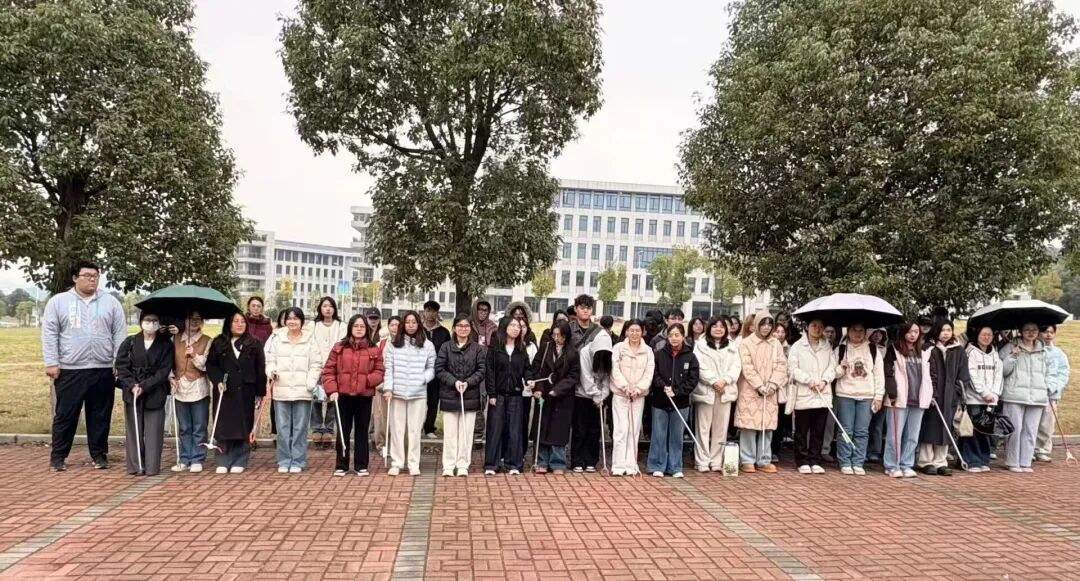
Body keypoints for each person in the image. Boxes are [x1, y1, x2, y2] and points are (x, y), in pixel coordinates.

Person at [42, 261, 127, 472]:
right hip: (70, 369)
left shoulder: (110, 302)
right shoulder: (59, 302)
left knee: (100, 415)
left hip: (103, 367)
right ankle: (58, 456)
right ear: (75, 278)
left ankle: (99, 455)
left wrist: (119, 362)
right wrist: (52, 362)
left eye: (95, 276)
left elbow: (119, 333)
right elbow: (50, 333)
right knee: (66, 415)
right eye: (87, 275)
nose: (92, 279)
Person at [322, 314, 384, 477]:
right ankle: (341, 465)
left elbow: (379, 371)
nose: (359, 329)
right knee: (343, 430)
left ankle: (361, 465)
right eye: (356, 326)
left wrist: (366, 381)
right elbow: (328, 371)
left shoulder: (374, 349)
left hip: (364, 396)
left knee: (362, 430)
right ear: (350, 327)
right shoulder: (339, 348)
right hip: (342, 396)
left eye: (362, 326)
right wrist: (332, 390)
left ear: (366, 329)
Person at [206, 312, 267, 474]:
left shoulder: (254, 343)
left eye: (242, 321)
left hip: (246, 390)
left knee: (243, 424)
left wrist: (260, 392)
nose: (240, 324)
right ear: (229, 324)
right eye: (235, 321)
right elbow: (211, 365)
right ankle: (223, 459)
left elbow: (260, 368)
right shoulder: (219, 342)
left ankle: (240, 459)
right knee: (224, 425)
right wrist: (218, 380)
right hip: (225, 390)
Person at [115, 311, 173, 476]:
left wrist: (145, 385)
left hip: (155, 390)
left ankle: (152, 466)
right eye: (148, 320)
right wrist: (132, 384)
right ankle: (136, 465)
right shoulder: (130, 342)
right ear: (141, 322)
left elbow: (164, 370)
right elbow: (121, 365)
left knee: (154, 431)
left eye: (155, 320)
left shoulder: (166, 345)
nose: (151, 323)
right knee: (134, 430)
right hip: (132, 391)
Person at [265, 307, 321, 473]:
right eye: (289, 318)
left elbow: (316, 364)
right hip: (281, 391)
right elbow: (270, 360)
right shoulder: (276, 338)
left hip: (303, 391)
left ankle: (297, 461)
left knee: (300, 428)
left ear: (301, 321)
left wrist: (310, 383)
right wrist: (272, 371)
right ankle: (284, 460)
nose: (292, 321)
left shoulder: (310, 340)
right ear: (284, 321)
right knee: (282, 428)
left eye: (296, 318)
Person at [382, 311, 436, 476]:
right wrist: (388, 388)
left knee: (414, 430)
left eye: (414, 322)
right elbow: (389, 368)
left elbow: (432, 368)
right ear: (402, 325)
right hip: (397, 393)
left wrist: (423, 379)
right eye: (407, 322)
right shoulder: (393, 344)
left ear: (418, 324)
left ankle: (413, 463)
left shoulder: (427, 345)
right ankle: (397, 463)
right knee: (397, 430)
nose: (411, 325)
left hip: (418, 394)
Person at [735, 309, 787, 473]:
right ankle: (747, 459)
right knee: (749, 425)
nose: (766, 327)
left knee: (767, 425)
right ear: (756, 324)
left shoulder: (776, 344)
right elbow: (746, 366)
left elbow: (782, 365)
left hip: (770, 390)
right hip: (750, 390)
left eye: (769, 324)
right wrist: (758, 385)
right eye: (763, 324)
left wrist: (773, 384)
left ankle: (764, 459)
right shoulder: (746, 343)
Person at [918, 320, 970, 476]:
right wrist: (931, 392)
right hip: (932, 396)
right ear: (936, 331)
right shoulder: (928, 348)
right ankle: (925, 461)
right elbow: (925, 372)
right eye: (942, 330)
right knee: (929, 428)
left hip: (949, 397)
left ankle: (940, 461)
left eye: (949, 330)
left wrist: (956, 392)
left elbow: (963, 375)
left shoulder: (958, 350)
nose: (946, 333)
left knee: (946, 428)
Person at [435, 315, 486, 477]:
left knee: (466, 433)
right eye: (460, 326)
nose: (463, 329)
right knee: (450, 434)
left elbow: (481, 370)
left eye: (466, 326)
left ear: (471, 329)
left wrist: (468, 382)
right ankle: (449, 465)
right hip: (449, 395)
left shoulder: (478, 349)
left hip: (470, 396)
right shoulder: (446, 347)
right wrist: (454, 382)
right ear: (454, 328)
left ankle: (463, 464)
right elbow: (439, 369)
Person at [787, 319, 838, 474]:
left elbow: (832, 367)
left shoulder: (827, 346)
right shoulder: (797, 346)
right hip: (804, 393)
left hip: (822, 393)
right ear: (807, 327)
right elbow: (792, 369)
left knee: (818, 430)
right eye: (814, 326)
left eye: (820, 326)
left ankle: (815, 459)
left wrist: (824, 381)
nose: (817, 329)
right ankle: (802, 460)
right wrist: (808, 380)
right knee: (802, 430)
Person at [647, 324, 699, 478]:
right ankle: (657, 465)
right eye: (671, 335)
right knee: (659, 434)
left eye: (677, 335)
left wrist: (677, 391)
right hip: (660, 400)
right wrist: (663, 386)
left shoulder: (691, 356)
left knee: (676, 435)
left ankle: (675, 466)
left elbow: (693, 379)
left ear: (683, 336)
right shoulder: (659, 354)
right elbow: (654, 374)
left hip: (681, 402)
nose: (674, 338)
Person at [833, 323, 885, 475]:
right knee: (845, 430)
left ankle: (858, 461)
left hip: (866, 396)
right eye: (854, 330)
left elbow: (879, 374)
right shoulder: (841, 349)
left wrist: (878, 396)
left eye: (861, 330)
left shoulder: (873, 349)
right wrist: (841, 368)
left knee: (862, 431)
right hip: (845, 394)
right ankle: (845, 461)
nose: (857, 333)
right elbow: (832, 373)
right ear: (848, 332)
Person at [882, 323, 932, 478]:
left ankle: (907, 464)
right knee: (894, 435)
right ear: (903, 333)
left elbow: (931, 374)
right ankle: (892, 465)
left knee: (912, 436)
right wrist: (892, 392)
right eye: (910, 332)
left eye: (916, 332)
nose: (913, 335)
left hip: (919, 398)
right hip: (899, 398)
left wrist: (931, 393)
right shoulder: (894, 349)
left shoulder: (924, 351)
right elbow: (887, 372)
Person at [569, 294, 612, 473]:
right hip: (578, 388)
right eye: (582, 307)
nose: (585, 311)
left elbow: (607, 370)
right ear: (576, 309)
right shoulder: (569, 330)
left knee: (594, 429)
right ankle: (577, 460)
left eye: (588, 307)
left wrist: (602, 394)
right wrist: (594, 393)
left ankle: (591, 461)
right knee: (579, 427)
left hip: (598, 392)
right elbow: (584, 374)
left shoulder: (600, 332)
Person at [484, 317, 532, 475]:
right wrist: (491, 393)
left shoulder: (521, 349)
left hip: (516, 394)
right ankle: (492, 464)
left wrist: (529, 379)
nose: (516, 328)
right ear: (504, 327)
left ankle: (514, 464)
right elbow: (490, 371)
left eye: (518, 326)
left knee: (515, 429)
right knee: (495, 429)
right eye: (512, 325)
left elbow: (527, 368)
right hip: (497, 394)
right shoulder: (495, 348)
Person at [691, 317, 740, 473]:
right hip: (706, 390)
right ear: (709, 328)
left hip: (725, 391)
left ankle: (716, 460)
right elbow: (699, 366)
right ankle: (702, 460)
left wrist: (725, 381)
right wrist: (713, 381)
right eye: (715, 326)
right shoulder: (700, 345)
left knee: (721, 428)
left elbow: (736, 367)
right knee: (703, 428)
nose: (718, 329)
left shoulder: (732, 346)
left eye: (721, 326)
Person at [999, 322, 1049, 473]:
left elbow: (1050, 373)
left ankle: (1026, 462)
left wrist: (1048, 387)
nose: (1031, 333)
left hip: (1037, 396)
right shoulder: (1010, 347)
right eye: (1027, 330)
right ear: (1021, 331)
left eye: (1034, 330)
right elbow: (1002, 371)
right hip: (1014, 395)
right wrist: (1012, 356)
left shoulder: (1044, 350)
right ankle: (1012, 461)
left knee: (1030, 430)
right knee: (1014, 430)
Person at [532, 321, 580, 474]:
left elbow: (573, 376)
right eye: (555, 335)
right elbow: (537, 369)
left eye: (561, 335)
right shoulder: (545, 348)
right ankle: (542, 461)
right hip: (544, 394)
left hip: (563, 397)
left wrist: (558, 390)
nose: (557, 338)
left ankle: (558, 462)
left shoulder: (573, 353)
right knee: (543, 427)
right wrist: (538, 388)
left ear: (566, 336)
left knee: (559, 430)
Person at [611, 319, 655, 476]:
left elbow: (649, 372)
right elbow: (615, 370)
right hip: (620, 394)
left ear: (642, 332)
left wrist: (638, 388)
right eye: (631, 330)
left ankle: (631, 465)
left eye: (637, 330)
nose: (634, 333)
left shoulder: (648, 351)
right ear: (626, 331)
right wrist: (625, 387)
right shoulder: (618, 348)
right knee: (620, 429)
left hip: (638, 396)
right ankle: (618, 465)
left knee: (634, 429)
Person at [171, 312, 212, 473]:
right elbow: (168, 362)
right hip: (179, 387)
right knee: (184, 426)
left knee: (199, 426)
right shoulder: (175, 339)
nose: (194, 322)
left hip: (198, 387)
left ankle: (197, 458)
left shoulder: (208, 340)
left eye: (198, 319)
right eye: (190, 318)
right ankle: (184, 458)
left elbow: (206, 366)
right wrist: (170, 376)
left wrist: (194, 355)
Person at [960, 326, 1003, 472]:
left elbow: (998, 375)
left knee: (986, 430)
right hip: (974, 399)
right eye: (983, 334)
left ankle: (983, 459)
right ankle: (971, 461)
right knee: (973, 430)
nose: (986, 337)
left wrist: (995, 393)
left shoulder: (995, 354)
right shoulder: (970, 352)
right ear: (977, 335)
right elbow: (971, 375)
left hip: (990, 400)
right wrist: (984, 393)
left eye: (989, 335)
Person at [310, 297, 343, 447]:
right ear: (320, 308)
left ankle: (329, 428)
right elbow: (311, 345)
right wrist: (318, 365)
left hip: (335, 367)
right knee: (316, 398)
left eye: (331, 306)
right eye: (325, 306)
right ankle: (317, 428)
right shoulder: (313, 325)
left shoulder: (341, 325)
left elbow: (341, 346)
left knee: (332, 399)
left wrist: (331, 366)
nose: (328, 309)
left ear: (335, 309)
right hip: (316, 366)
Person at [508, 301, 539, 459]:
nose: (520, 329)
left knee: (523, 422)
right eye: (516, 324)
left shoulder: (531, 346)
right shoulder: (505, 344)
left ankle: (521, 452)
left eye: (523, 326)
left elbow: (534, 368)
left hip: (526, 391)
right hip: (510, 390)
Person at [1036, 324, 1070, 462]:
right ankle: (1030, 449)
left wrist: (1055, 387)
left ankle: (1042, 449)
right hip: (1035, 392)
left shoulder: (1059, 353)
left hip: (1051, 395)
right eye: (1045, 332)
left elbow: (1063, 373)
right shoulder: (1035, 350)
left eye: (1051, 332)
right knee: (1033, 423)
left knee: (1047, 424)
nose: (1048, 335)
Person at [420, 301, 452, 439]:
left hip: (437, 371)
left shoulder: (444, 332)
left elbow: (447, 351)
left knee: (433, 401)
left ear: (437, 313)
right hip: (420, 370)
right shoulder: (418, 330)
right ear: (424, 312)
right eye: (428, 310)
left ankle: (429, 428)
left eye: (434, 311)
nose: (431, 314)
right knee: (419, 400)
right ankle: (417, 427)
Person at [372, 314, 399, 455]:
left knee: (397, 418)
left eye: (397, 325)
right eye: (392, 325)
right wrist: (379, 383)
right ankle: (382, 445)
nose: (395, 327)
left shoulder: (407, 344)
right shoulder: (381, 344)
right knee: (381, 417)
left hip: (400, 386)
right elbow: (375, 365)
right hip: (382, 386)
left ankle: (396, 445)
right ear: (388, 327)